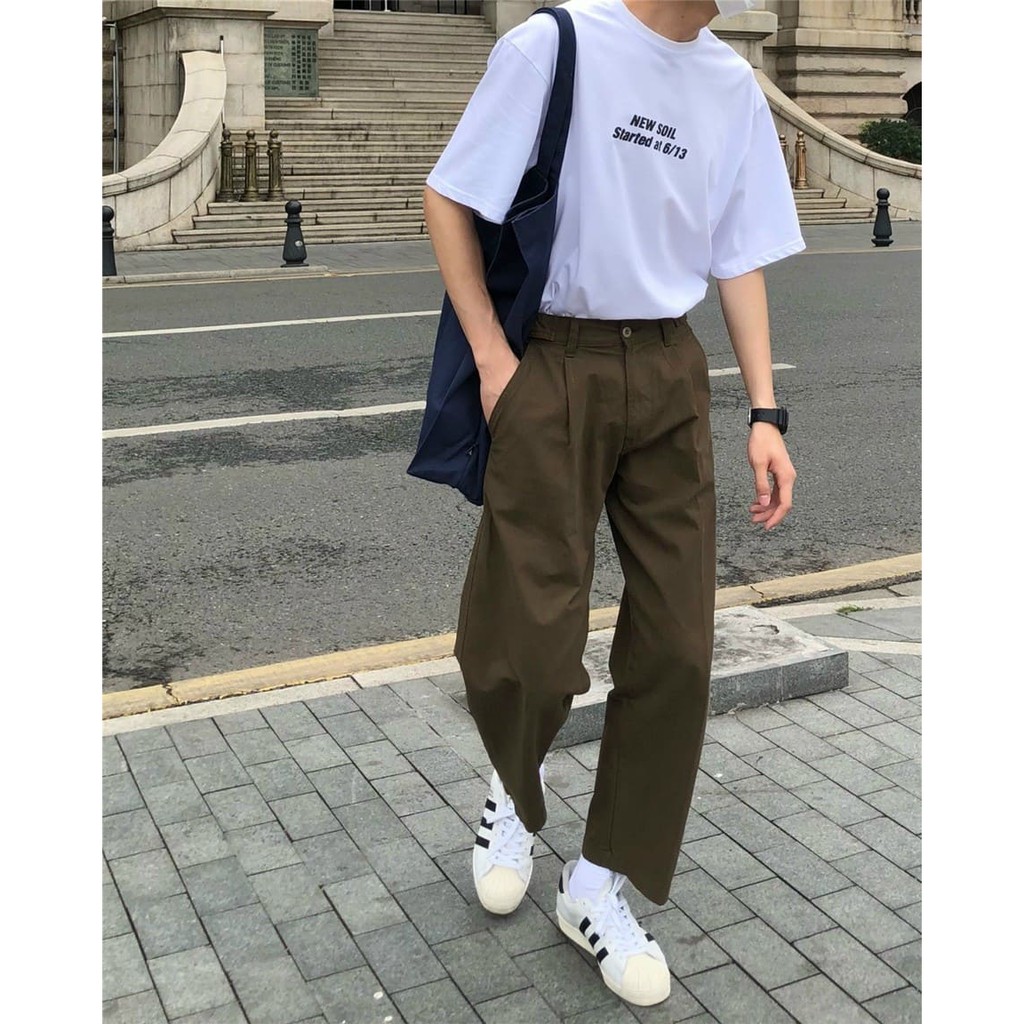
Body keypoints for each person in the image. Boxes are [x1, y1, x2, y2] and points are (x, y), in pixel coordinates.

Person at [422, 0, 803, 1007]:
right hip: (555, 359)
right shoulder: (553, 45)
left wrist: (766, 409)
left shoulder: (731, 84)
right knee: (531, 640)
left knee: (680, 647)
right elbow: (449, 197)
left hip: (669, 369)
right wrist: (495, 359)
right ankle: (515, 787)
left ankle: (596, 881)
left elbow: (737, 252)